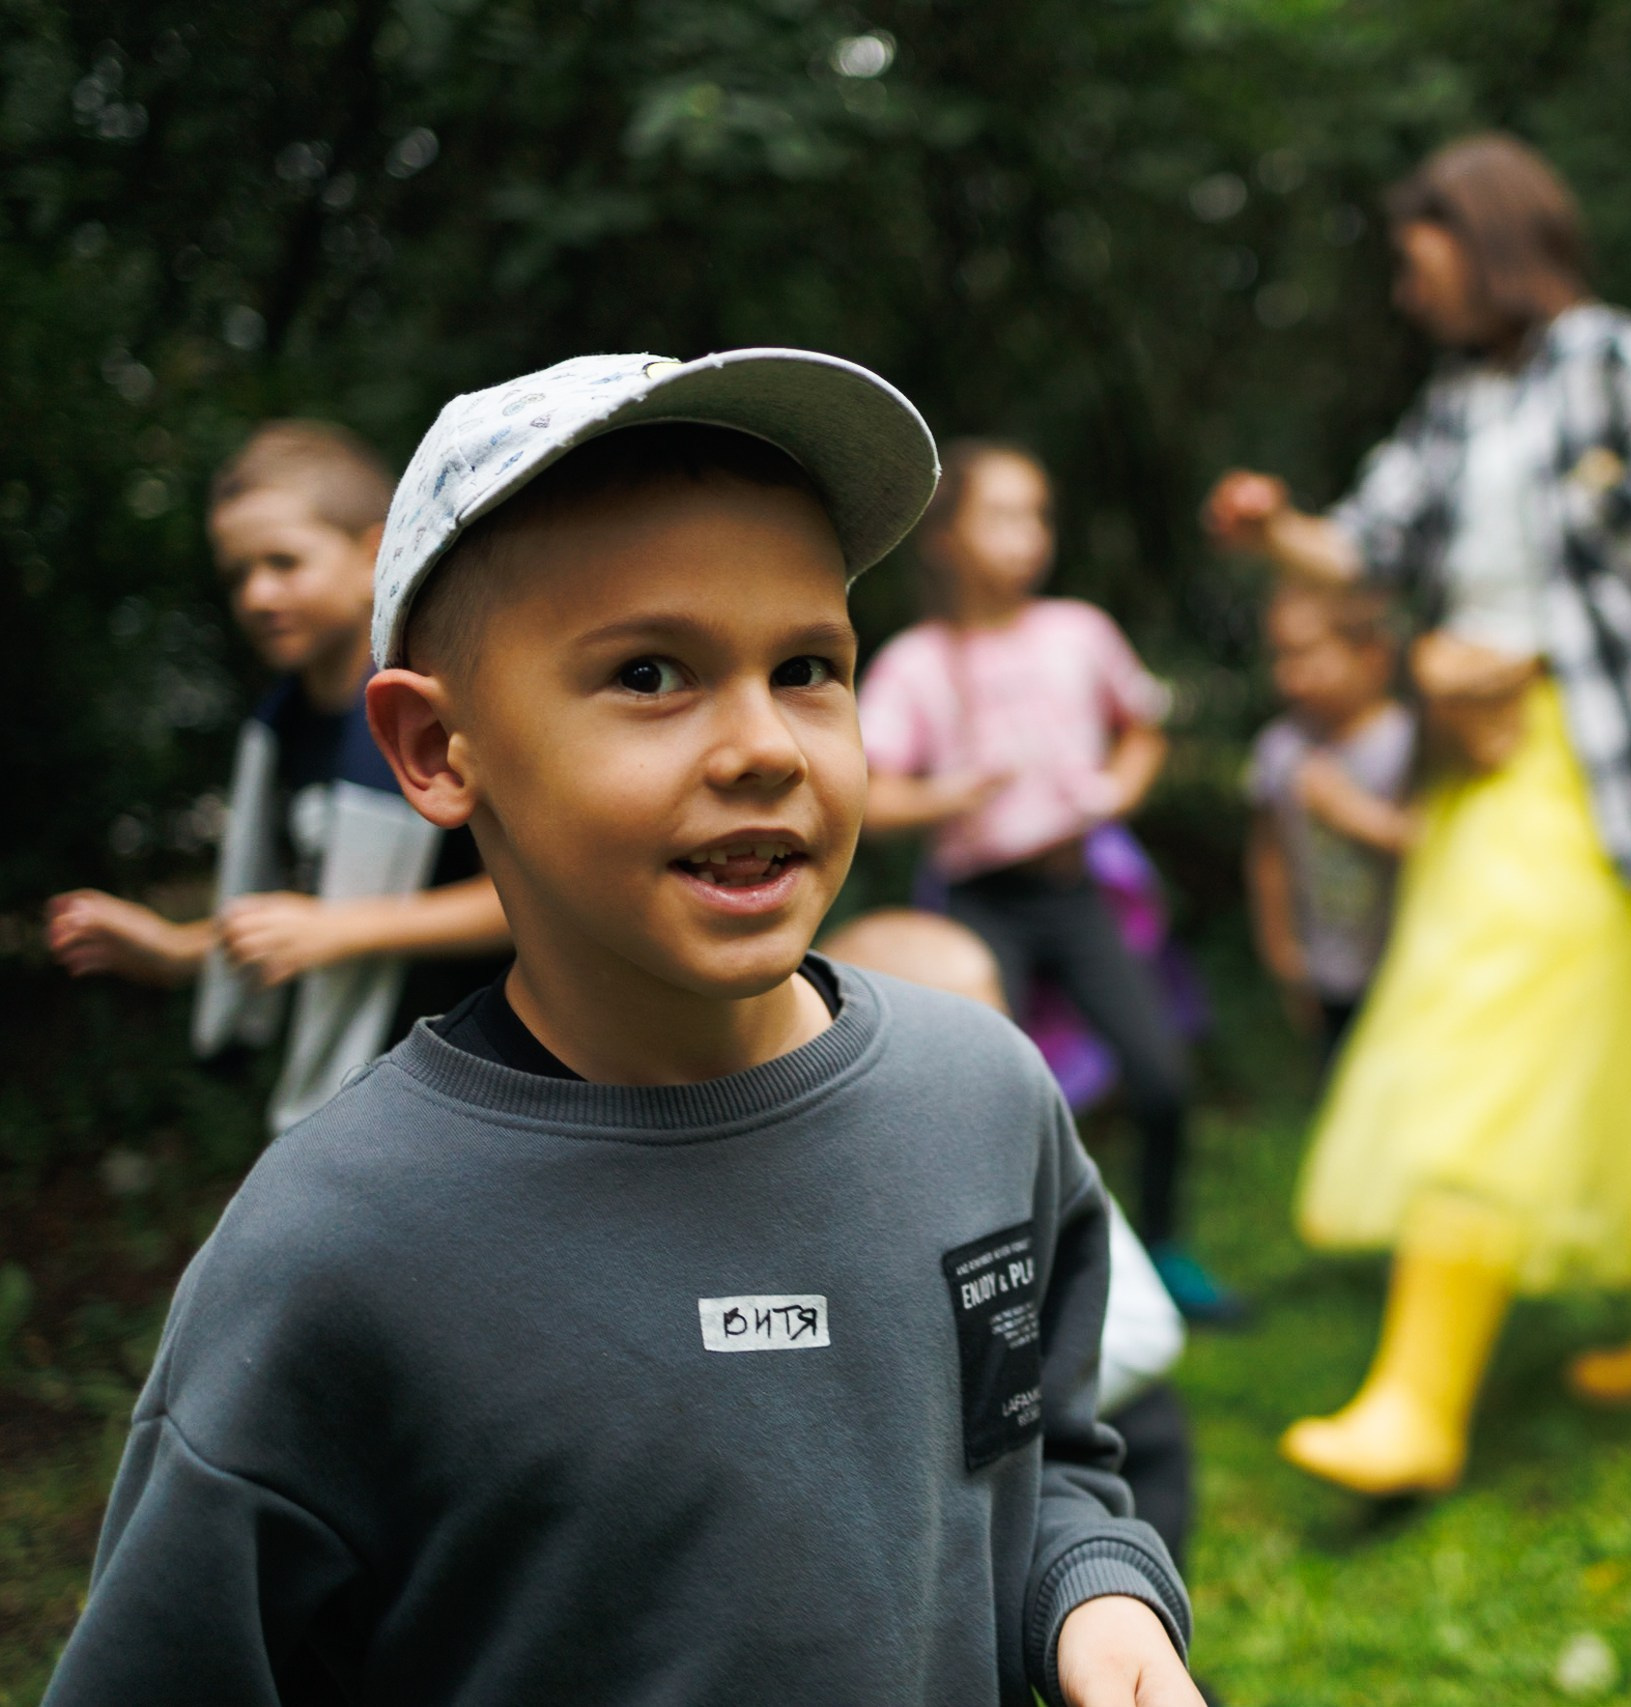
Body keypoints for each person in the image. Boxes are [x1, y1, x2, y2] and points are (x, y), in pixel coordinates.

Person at [43, 353, 1198, 1707]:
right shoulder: (335, 1241)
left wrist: (1098, 1594)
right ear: (434, 749)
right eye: (652, 671)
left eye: (809, 666)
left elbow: (1043, 1453)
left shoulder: (983, 1095)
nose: (765, 743)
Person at [1203, 132, 1631, 1497]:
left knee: (1480, 1027)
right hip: (1494, 760)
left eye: (1418, 260)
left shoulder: (1615, 360)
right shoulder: (1457, 403)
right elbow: (1369, 553)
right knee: (1629, 1028)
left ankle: (1418, 1397)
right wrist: (1277, 526)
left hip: (1617, 750)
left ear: (1488, 238)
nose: (1407, 292)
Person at [856, 440, 1237, 1323]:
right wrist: (949, 794)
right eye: (1002, 515)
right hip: (984, 903)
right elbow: (868, 798)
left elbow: (1143, 726)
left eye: (1038, 514)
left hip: (1079, 894)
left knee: (1161, 1077)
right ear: (946, 536)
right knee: (987, 1095)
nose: (1028, 536)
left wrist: (1117, 790)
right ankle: (1002, 1282)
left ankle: (1168, 1253)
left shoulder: (1079, 631)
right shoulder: (916, 662)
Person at [44, 421, 509, 1132]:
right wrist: (172, 949)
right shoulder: (280, 730)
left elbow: (522, 901)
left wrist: (341, 929)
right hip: (351, 1103)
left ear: (372, 555)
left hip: (479, 1088)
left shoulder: (442, 707)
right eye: (237, 573)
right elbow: (303, 916)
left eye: (284, 562)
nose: (257, 594)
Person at [817, 908, 1200, 1575]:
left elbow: (1151, 1331)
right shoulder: (844, 1183)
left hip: (1107, 1457)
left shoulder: (1031, 1158)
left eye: (997, 1030)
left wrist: (980, 1402)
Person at [1245, 581, 1417, 1056]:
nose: (1289, 676)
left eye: (1306, 655)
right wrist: (1283, 954)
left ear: (1373, 656)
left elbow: (1440, 849)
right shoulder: (1280, 750)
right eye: (1280, 657)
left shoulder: (1408, 742)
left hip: (1409, 970)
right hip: (1328, 975)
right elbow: (1270, 856)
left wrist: (1354, 815)